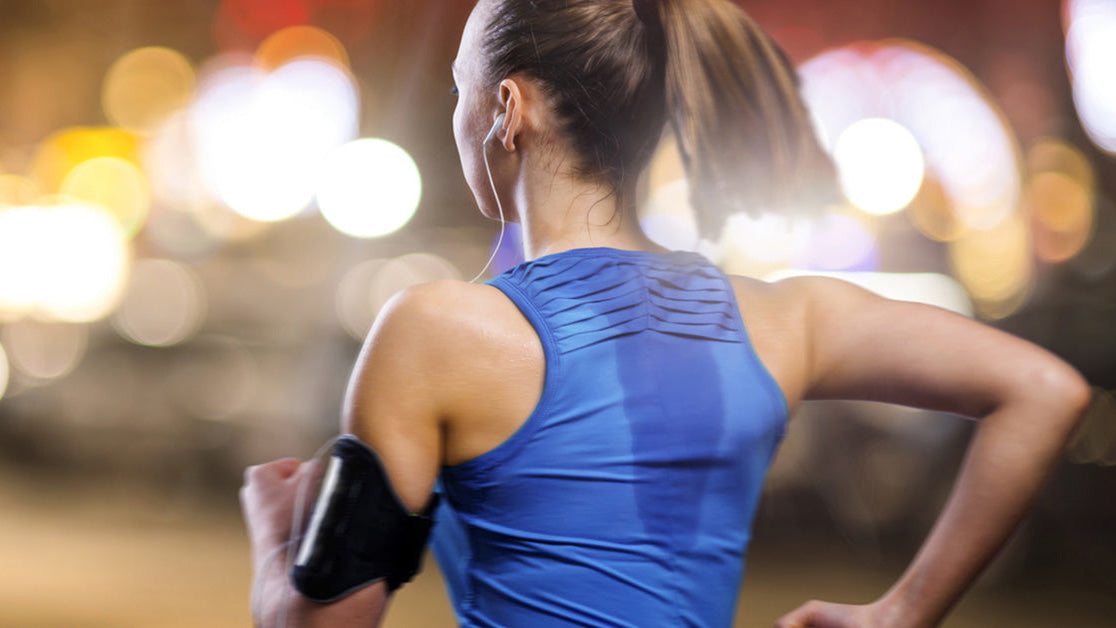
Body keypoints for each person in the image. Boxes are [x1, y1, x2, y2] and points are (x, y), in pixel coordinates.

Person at [240, 0, 1092, 626]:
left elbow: (321, 624)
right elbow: (1046, 389)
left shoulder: (435, 329)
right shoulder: (788, 319)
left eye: (462, 89)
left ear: (508, 110)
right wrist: (902, 613)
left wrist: (278, 540)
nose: (455, 114)